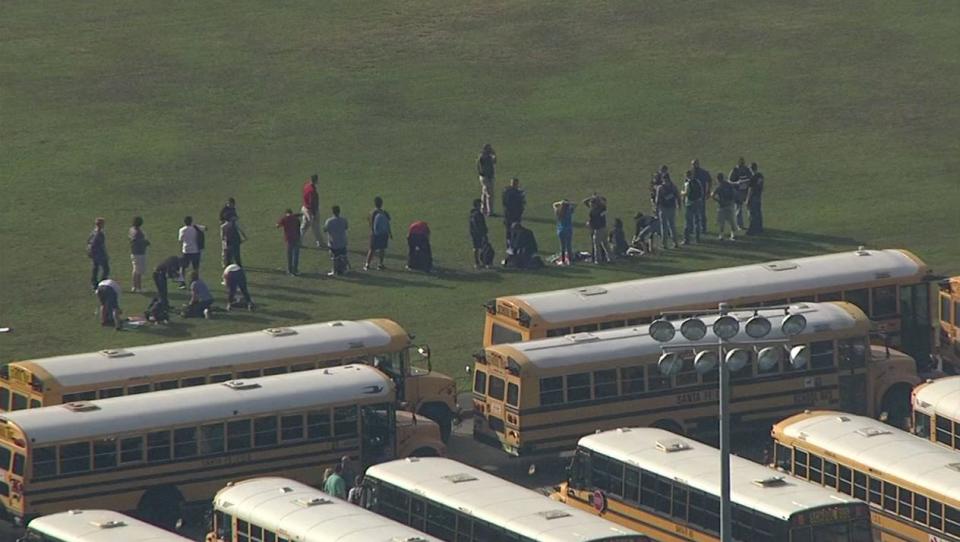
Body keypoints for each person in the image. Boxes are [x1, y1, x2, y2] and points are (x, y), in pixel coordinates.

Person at [364, 197, 392, 271]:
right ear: (381, 203)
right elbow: (388, 221)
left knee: (372, 249)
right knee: (382, 249)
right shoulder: (384, 212)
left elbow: (369, 221)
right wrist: (390, 232)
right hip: (383, 233)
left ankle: (367, 264)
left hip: (374, 233)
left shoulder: (372, 212)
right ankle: (380, 264)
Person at [583, 193, 610, 263]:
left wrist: (592, 197)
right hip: (604, 228)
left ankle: (598, 260)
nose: (591, 205)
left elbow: (585, 202)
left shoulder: (593, 212)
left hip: (598, 229)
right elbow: (603, 201)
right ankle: (610, 258)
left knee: (597, 246)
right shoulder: (602, 208)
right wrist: (595, 198)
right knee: (606, 244)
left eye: (592, 204)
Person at [322, 205, 349, 276]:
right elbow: (346, 227)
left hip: (333, 242)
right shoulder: (344, 220)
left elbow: (325, 229)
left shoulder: (329, 221)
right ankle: (344, 269)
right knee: (343, 256)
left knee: (334, 258)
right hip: (342, 241)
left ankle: (334, 270)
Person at [655, 173, 680, 249]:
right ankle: (675, 242)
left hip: (663, 208)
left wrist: (656, 209)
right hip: (672, 208)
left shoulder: (660, 188)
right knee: (672, 226)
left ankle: (664, 244)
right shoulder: (673, 187)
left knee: (664, 227)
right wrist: (679, 206)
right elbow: (677, 196)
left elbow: (657, 200)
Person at [276, 208, 302, 275]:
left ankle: (290, 270)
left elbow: (277, 226)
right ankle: (295, 270)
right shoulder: (296, 219)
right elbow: (299, 228)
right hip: (296, 238)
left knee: (289, 255)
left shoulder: (284, 219)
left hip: (288, 239)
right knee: (296, 255)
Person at [713, 173, 738, 241]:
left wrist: (718, 201)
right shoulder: (728, 185)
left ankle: (721, 235)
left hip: (722, 206)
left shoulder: (719, 186)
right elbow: (734, 193)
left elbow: (712, 195)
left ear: (718, 179)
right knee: (732, 221)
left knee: (722, 222)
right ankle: (732, 235)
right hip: (729, 205)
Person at [87, 217, 109, 291]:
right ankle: (102, 283)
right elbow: (95, 243)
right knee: (106, 269)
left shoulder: (94, 232)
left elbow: (89, 241)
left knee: (95, 268)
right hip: (99, 254)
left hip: (95, 254)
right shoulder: (99, 234)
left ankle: (94, 283)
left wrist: (90, 251)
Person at [729, 157, 752, 230]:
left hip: (746, 191)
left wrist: (747, 181)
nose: (742, 164)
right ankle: (740, 225)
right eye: (741, 163)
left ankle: (752, 224)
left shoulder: (747, 169)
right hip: (737, 192)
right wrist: (737, 183)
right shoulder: (734, 170)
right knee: (738, 209)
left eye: (743, 163)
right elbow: (729, 181)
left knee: (750, 208)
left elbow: (751, 178)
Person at [502, 177, 526, 245]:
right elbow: (520, 203)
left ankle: (509, 243)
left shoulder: (506, 191)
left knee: (509, 230)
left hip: (508, 214)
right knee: (514, 230)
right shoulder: (515, 193)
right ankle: (514, 243)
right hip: (514, 214)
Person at [681, 170, 703, 245]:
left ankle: (686, 239)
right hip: (697, 203)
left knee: (688, 222)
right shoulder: (698, 182)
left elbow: (686, 193)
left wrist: (682, 193)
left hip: (689, 204)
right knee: (697, 222)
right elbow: (701, 192)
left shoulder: (687, 183)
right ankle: (698, 239)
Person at [300, 174, 322, 247]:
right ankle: (319, 242)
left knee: (305, 227)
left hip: (305, 208)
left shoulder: (306, 186)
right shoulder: (312, 190)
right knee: (313, 227)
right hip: (310, 210)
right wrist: (314, 213)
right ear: (316, 180)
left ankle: (299, 241)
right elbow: (312, 202)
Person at [691, 159, 712, 234]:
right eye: (693, 164)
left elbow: (709, 180)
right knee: (693, 213)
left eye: (695, 164)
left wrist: (708, 191)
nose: (694, 166)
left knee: (702, 213)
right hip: (692, 197)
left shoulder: (703, 172)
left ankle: (704, 228)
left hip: (701, 196)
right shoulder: (691, 173)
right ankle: (695, 228)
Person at [552, 199, 576, 266]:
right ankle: (570, 259)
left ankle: (563, 259)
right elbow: (574, 205)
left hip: (561, 230)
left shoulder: (558, 211)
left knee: (562, 246)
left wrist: (560, 203)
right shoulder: (569, 211)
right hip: (568, 229)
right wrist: (568, 203)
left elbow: (554, 204)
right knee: (569, 245)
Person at [476, 144, 497, 216]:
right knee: (489, 194)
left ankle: (483, 209)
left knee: (484, 193)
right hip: (486, 177)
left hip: (486, 177)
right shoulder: (484, 156)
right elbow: (481, 165)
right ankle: (490, 211)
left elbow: (494, 161)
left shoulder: (487, 156)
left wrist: (493, 154)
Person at [469, 199, 489, 268]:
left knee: (477, 248)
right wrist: (482, 232)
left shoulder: (473, 214)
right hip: (478, 234)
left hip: (475, 233)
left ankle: (478, 262)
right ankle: (480, 262)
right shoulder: (476, 214)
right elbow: (477, 225)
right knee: (480, 248)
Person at [746, 162, 764, 235]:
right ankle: (759, 228)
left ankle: (752, 229)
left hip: (753, 197)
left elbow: (750, 189)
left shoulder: (752, 178)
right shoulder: (760, 176)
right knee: (758, 213)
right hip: (758, 196)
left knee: (752, 214)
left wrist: (747, 199)